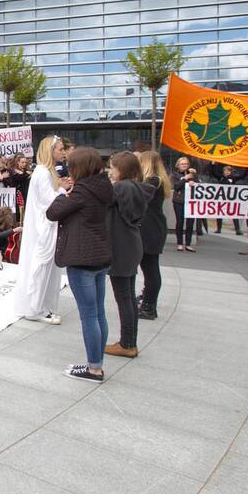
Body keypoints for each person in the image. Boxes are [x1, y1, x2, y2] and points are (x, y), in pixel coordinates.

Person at [47, 147, 113, 383]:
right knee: (98, 312)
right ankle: (97, 361)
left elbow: (52, 213)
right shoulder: (104, 186)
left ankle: (94, 369)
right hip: (100, 255)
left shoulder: (81, 191)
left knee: (89, 315)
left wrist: (63, 192)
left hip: (82, 257)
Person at [12, 136, 68, 324]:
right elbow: (48, 200)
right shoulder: (43, 172)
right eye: (60, 149)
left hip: (47, 226)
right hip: (43, 228)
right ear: (49, 151)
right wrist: (62, 191)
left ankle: (43, 305)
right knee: (40, 268)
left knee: (48, 269)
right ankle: (35, 308)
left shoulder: (46, 172)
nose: (63, 152)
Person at [105, 151, 148, 358]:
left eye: (112, 167)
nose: (110, 171)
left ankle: (127, 343)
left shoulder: (121, 187)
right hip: (130, 244)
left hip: (121, 246)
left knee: (124, 297)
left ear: (121, 168)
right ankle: (129, 341)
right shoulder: (137, 187)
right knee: (128, 296)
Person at [136, 151, 170, 320]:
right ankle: (147, 298)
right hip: (153, 228)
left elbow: (139, 196)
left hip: (150, 230)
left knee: (150, 269)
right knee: (149, 268)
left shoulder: (153, 181)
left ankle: (149, 306)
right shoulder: (157, 180)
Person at [171, 156, 198, 252]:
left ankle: (188, 243)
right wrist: (184, 179)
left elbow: (199, 186)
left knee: (190, 223)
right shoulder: (175, 174)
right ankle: (179, 243)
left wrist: (193, 179)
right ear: (178, 165)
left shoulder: (193, 175)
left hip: (191, 202)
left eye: (186, 164)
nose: (184, 166)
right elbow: (176, 186)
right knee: (180, 221)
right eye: (182, 164)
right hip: (179, 201)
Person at [215, 165, 244, 235]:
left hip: (231, 198)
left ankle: (237, 229)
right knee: (219, 213)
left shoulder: (233, 178)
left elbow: (243, 176)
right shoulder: (221, 177)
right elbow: (213, 173)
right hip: (222, 198)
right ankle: (219, 228)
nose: (226, 172)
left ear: (230, 172)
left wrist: (245, 167)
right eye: (225, 171)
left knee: (233, 213)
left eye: (228, 171)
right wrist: (213, 165)